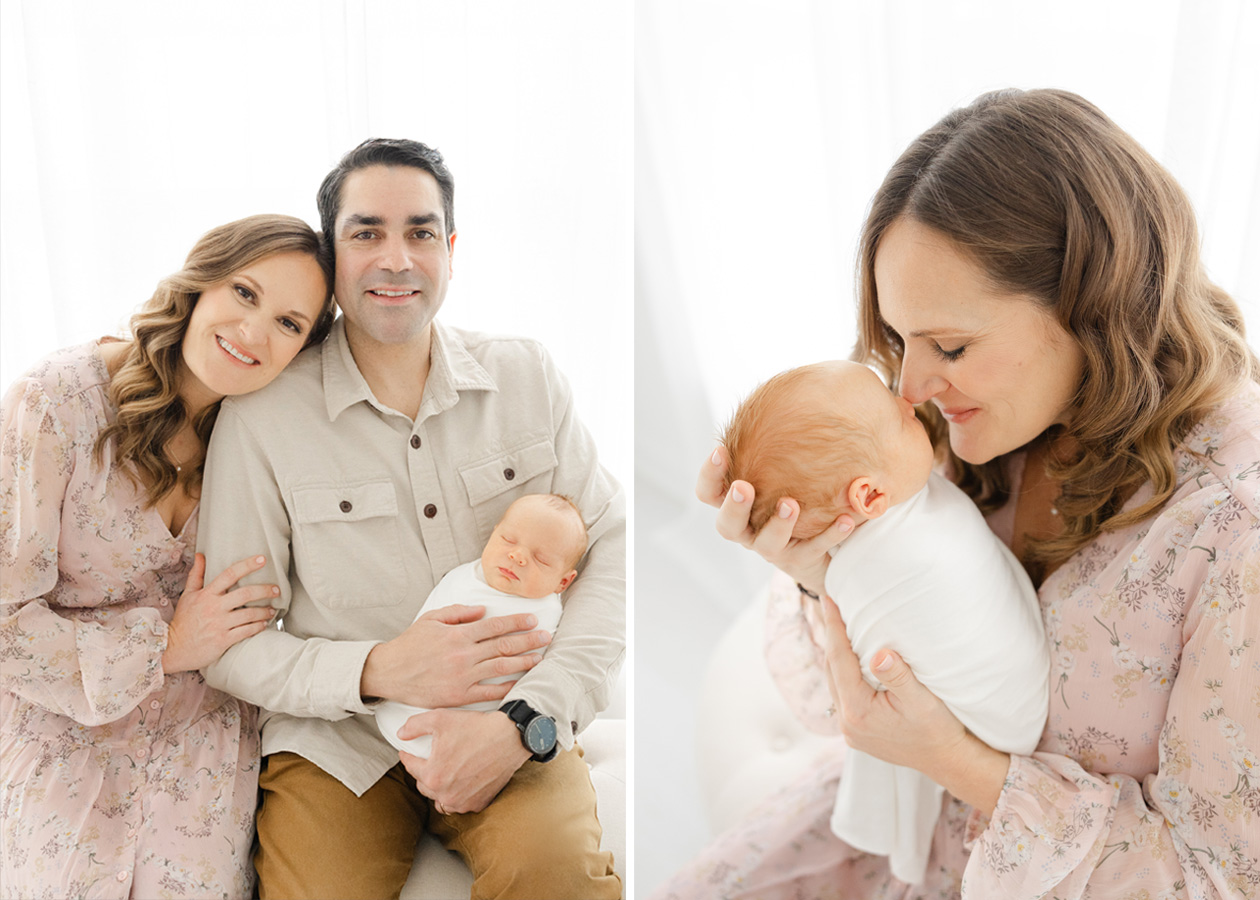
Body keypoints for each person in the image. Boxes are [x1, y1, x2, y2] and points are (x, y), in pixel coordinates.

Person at [670, 88, 1260, 898]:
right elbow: (829, 698)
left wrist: (958, 762)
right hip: (904, 838)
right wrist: (822, 567)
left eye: (948, 344)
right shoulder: (960, 420)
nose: (910, 384)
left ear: (1092, 306)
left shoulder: (1235, 529)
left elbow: (1219, 880)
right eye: (900, 340)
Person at [198, 139, 624, 899]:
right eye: (366, 234)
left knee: (558, 878)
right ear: (332, 256)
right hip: (338, 743)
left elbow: (613, 549)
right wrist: (378, 669)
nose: (396, 259)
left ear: (451, 251)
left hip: (507, 715)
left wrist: (527, 719)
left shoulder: (526, 376)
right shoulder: (261, 418)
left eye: (421, 233)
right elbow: (231, 648)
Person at [0, 214, 334, 899]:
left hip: (205, 737)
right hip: (62, 728)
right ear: (201, 284)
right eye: (245, 293)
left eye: (289, 323)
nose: (253, 333)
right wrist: (165, 646)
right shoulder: (56, 403)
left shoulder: (272, 438)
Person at [721, 359, 1047, 884]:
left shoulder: (892, 480)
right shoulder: (881, 554)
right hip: (1001, 724)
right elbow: (838, 705)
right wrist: (809, 573)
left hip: (1004, 768)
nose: (909, 395)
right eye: (900, 418)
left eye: (954, 345)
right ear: (870, 497)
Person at [376, 492, 586, 757]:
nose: (518, 556)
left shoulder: (546, 613)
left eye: (541, 559)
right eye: (508, 540)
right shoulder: (463, 577)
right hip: (399, 711)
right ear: (493, 534)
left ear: (563, 582)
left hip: (486, 737)